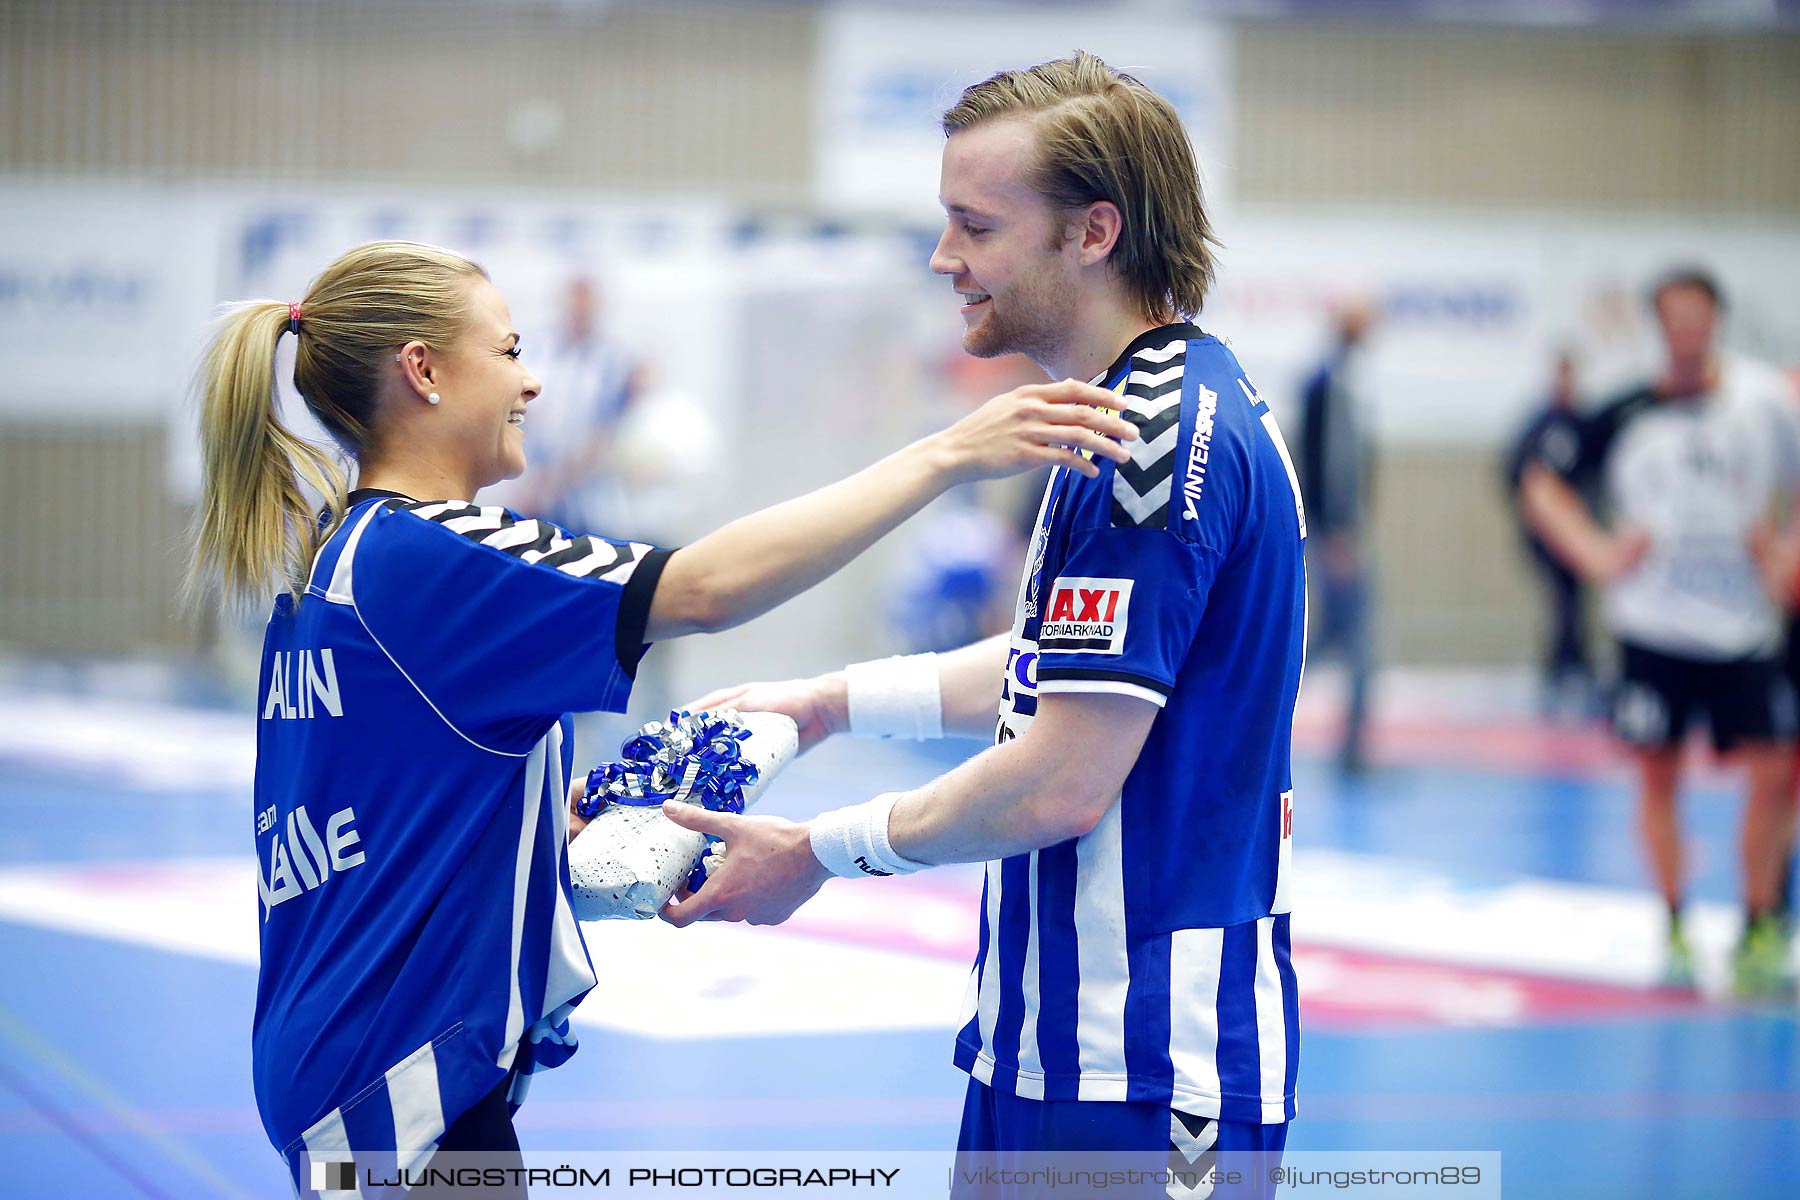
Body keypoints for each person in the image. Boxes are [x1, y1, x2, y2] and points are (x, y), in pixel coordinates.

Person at [185, 240, 1137, 1195]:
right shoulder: (431, 554)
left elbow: (389, 802)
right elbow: (707, 588)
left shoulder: (334, 562)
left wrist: (556, 832)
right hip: (402, 1085)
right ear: (423, 371)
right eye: (509, 350)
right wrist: (947, 454)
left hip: (340, 1050)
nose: (533, 380)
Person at [661, 54, 1305, 1195]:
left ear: (1092, 231)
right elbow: (1065, 670)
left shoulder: (1145, 445)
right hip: (1057, 1047)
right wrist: (829, 702)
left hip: (1137, 1070)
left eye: (976, 225)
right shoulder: (1137, 406)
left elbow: (1060, 780)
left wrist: (815, 854)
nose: (943, 257)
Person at [1521, 267, 1800, 997]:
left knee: (1775, 770)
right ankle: (1675, 921)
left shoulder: (1763, 401)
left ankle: (1761, 924)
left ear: (1716, 323)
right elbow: (1541, 482)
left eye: (1697, 318)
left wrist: (1786, 555)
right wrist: (1599, 555)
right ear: (1657, 326)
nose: (1686, 332)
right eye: (1672, 318)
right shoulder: (1628, 408)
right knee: (1658, 775)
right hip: (1653, 627)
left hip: (1744, 626)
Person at [1296, 298, 1378, 772]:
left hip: (1344, 532)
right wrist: (1335, 531)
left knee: (1329, 640)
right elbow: (1326, 465)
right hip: (1338, 535)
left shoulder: (1347, 383)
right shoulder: (1327, 385)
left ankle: (1354, 745)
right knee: (1358, 642)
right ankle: (1354, 750)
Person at [1503, 351, 1595, 716]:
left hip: (1581, 533)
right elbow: (1513, 473)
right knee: (1560, 603)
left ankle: (1576, 670)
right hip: (1545, 536)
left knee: (1575, 603)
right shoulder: (1537, 425)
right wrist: (1534, 513)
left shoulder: (1584, 424)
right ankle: (1561, 673)